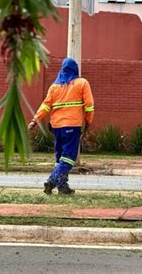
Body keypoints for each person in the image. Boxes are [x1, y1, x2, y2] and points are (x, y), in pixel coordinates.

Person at [28, 58, 94, 195]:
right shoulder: (82, 83)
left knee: (60, 158)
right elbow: (89, 105)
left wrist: (35, 120)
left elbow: (45, 105)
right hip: (72, 125)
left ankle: (63, 187)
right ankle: (52, 180)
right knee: (69, 158)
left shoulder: (54, 87)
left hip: (56, 127)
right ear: (75, 69)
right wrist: (88, 121)